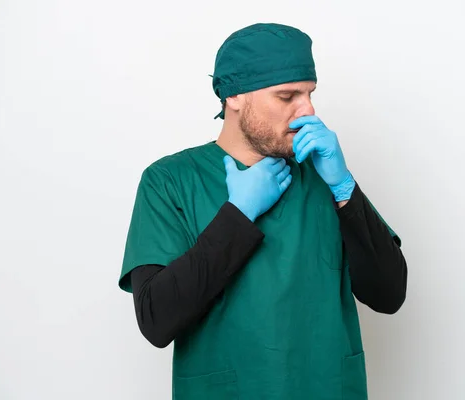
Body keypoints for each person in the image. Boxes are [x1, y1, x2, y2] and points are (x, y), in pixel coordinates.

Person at [118, 22, 408, 400]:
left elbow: (389, 295)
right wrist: (237, 215)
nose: (308, 111)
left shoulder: (323, 177)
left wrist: (344, 188)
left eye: (309, 94)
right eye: (287, 96)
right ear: (234, 96)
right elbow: (157, 321)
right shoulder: (170, 181)